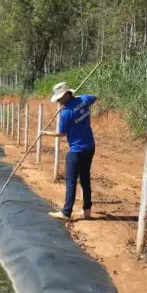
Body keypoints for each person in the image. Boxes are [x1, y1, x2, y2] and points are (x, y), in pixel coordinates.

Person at [41, 81, 97, 221]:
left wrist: (44, 133)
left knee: (71, 181)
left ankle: (66, 212)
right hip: (90, 147)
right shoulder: (84, 100)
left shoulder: (66, 112)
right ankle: (87, 212)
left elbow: (61, 133)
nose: (58, 101)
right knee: (85, 179)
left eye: (59, 97)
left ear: (66, 94)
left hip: (76, 150)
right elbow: (94, 97)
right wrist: (78, 100)